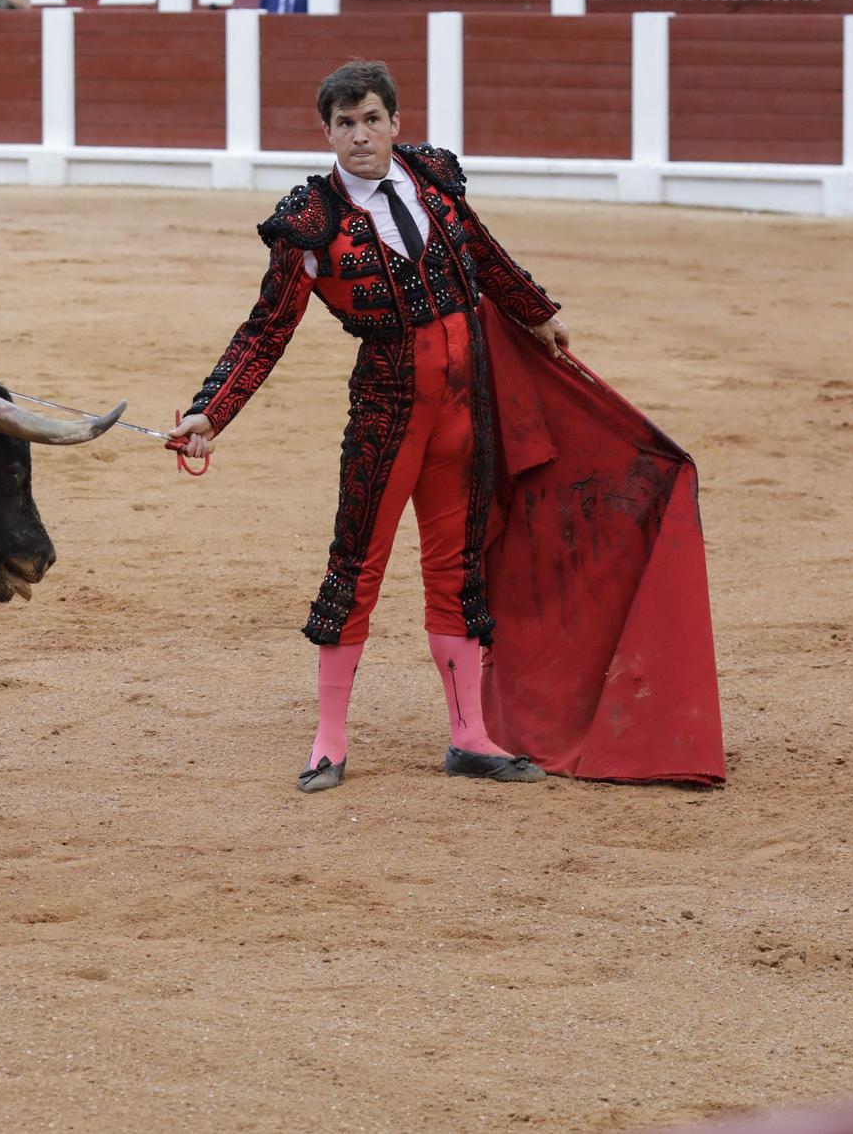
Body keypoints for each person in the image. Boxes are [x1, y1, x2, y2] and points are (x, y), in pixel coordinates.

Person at [167, 61, 571, 791]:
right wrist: (211, 409)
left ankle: (469, 736)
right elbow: (266, 330)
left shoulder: (433, 180)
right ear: (327, 133)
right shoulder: (308, 223)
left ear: (394, 122)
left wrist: (536, 311)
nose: (361, 135)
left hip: (464, 411)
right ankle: (329, 739)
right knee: (355, 570)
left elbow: (483, 252)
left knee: (459, 569)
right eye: (345, 124)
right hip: (388, 417)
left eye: (372, 119)